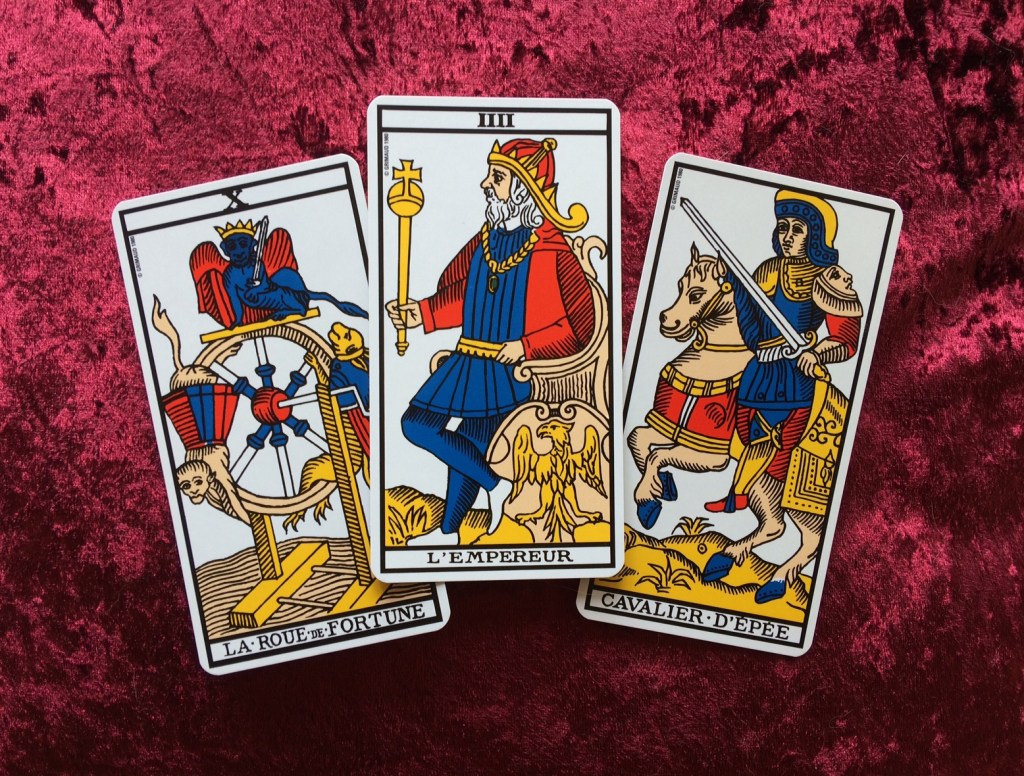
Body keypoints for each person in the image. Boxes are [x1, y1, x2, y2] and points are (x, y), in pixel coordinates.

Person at [387, 138, 594, 544]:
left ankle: (462, 518)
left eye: (496, 177)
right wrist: (422, 314)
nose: (485, 184)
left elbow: (575, 328)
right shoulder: (487, 240)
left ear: (524, 189)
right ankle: (483, 501)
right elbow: (466, 297)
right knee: (422, 427)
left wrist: (526, 347)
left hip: (510, 371)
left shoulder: (550, 252)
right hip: (467, 361)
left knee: (447, 437)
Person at [705, 189, 862, 516]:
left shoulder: (826, 277)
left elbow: (846, 339)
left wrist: (817, 354)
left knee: (767, 436)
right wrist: (735, 280)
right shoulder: (769, 270)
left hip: (794, 375)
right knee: (748, 434)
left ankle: (737, 495)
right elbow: (751, 320)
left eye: (797, 229)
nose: (787, 236)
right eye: (782, 227)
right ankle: (741, 494)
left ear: (814, 235)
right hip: (759, 370)